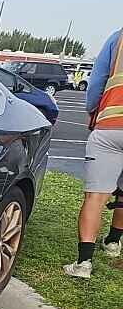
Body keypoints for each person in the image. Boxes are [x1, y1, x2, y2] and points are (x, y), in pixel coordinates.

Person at [64, 27, 123, 278]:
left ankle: (83, 263)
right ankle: (112, 243)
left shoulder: (118, 37)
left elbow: (97, 80)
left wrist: (92, 110)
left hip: (111, 123)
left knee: (95, 197)